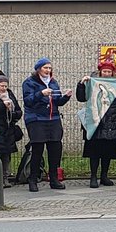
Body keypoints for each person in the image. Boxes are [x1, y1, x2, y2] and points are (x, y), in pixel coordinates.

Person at [77, 61, 116, 188]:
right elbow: (81, 97)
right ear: (100, 72)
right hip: (96, 120)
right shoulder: (93, 82)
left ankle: (104, 176)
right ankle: (93, 176)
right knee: (94, 151)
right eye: (104, 71)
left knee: (108, 151)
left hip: (112, 121)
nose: (107, 74)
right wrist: (81, 84)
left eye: (109, 72)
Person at [22, 58, 72, 192]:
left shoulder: (53, 82)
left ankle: (54, 179)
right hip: (36, 119)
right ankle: (33, 179)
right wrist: (40, 93)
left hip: (53, 119)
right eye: (45, 68)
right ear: (38, 69)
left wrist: (66, 97)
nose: (48, 71)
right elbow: (28, 101)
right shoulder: (29, 82)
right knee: (37, 150)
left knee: (55, 149)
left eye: (49, 68)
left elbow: (58, 102)